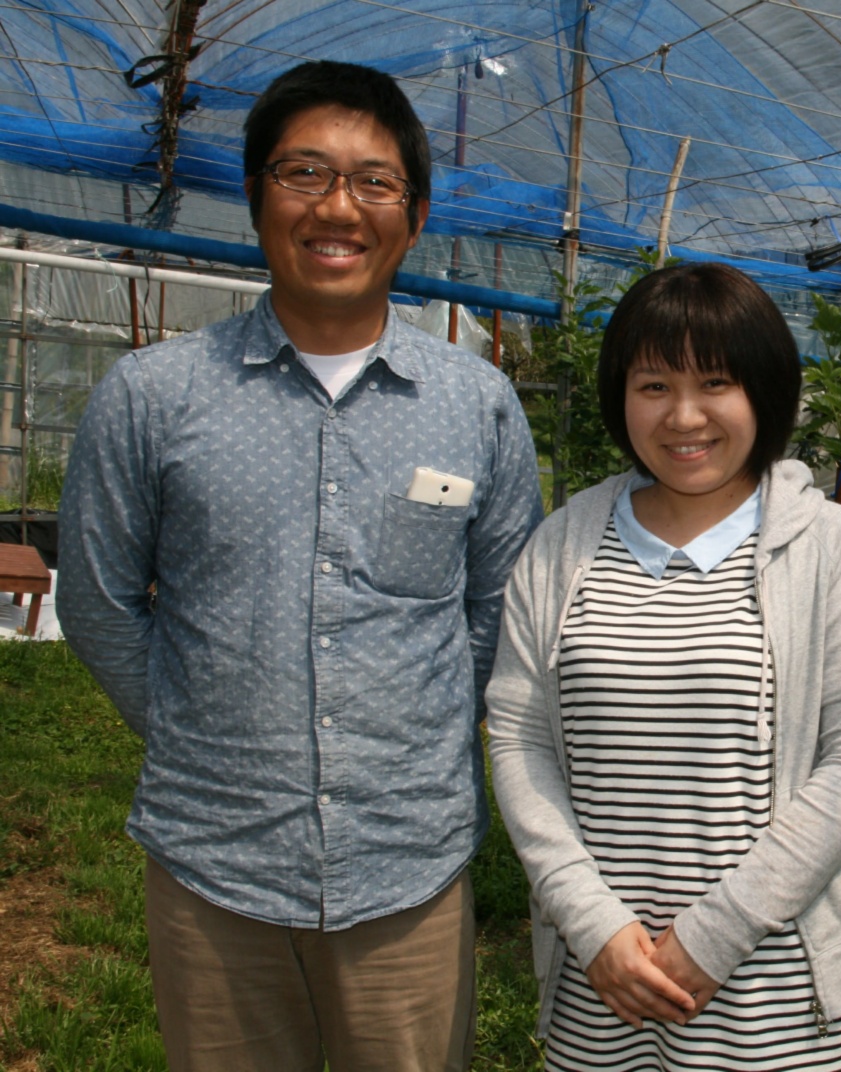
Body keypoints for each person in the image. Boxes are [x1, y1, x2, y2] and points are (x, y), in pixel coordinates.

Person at [57, 60, 542, 1072]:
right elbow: (99, 598)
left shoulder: (477, 404)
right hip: (213, 862)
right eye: (304, 172)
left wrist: (414, 735)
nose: (338, 206)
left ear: (412, 218)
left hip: (404, 862)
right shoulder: (155, 395)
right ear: (253, 197)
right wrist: (204, 729)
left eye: (374, 181)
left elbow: (500, 603)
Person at [486, 263, 841, 1070]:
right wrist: (593, 924)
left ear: (765, 393)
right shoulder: (564, 545)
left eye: (716, 382)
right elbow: (518, 738)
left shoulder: (831, 548)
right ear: (620, 395)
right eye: (653, 385)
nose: (684, 416)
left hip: (775, 993)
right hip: (602, 983)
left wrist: (712, 937)